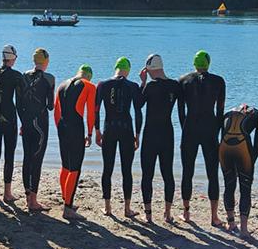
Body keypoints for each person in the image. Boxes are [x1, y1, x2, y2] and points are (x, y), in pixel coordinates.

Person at [177, 50, 225, 226]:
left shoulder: (183, 81)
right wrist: (218, 132)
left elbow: (181, 111)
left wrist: (185, 128)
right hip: (210, 129)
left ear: (195, 63)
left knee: (187, 172)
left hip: (190, 128)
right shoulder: (218, 81)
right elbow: (220, 111)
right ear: (208, 63)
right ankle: (214, 216)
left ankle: (186, 213)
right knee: (213, 173)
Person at [95, 56, 143, 218]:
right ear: (128, 70)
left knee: (107, 169)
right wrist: (137, 134)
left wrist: (96, 130)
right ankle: (127, 209)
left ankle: (108, 208)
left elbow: (95, 109)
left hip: (109, 128)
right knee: (126, 170)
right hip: (126, 130)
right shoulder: (132, 86)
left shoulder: (102, 85)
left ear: (115, 68)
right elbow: (138, 111)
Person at [139, 54, 182, 223]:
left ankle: (148, 215)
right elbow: (181, 107)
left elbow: (138, 103)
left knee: (147, 174)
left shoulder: (150, 86)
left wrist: (142, 82)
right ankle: (167, 213)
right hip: (167, 133)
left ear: (150, 70)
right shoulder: (175, 86)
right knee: (167, 173)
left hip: (150, 133)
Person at [55, 64, 97, 221]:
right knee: (75, 168)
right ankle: (68, 209)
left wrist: (60, 129)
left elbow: (56, 111)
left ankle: (67, 201)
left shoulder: (62, 85)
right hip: (75, 129)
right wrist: (90, 133)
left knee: (66, 166)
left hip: (63, 128)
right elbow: (91, 112)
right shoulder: (89, 86)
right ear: (89, 76)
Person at [19, 48, 55, 212]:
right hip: (40, 123)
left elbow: (18, 103)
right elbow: (50, 106)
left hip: (26, 122)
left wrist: (22, 121)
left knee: (27, 158)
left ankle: (27, 198)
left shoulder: (24, 76)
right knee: (37, 160)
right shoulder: (49, 78)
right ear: (46, 61)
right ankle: (33, 201)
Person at [0, 45, 24, 204]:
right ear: (13, 58)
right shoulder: (17, 76)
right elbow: (21, 101)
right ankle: (7, 193)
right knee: (9, 155)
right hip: (10, 119)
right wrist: (24, 122)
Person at [219, 104, 258, 237]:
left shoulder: (228, 113)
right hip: (242, 146)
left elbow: (221, 134)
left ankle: (231, 224)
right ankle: (244, 229)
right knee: (245, 187)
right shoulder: (256, 114)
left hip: (224, 147)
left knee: (229, 185)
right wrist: (253, 158)